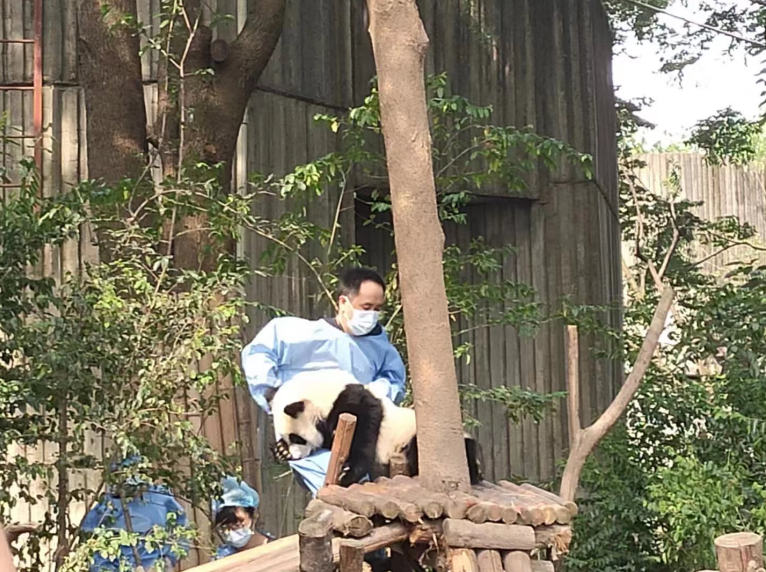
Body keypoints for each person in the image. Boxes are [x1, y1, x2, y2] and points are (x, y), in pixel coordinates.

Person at [241, 267, 406, 495]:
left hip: (357, 432)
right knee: (340, 488)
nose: (372, 315)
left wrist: (374, 392)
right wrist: (277, 399)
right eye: (367, 307)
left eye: (378, 309)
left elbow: (394, 381)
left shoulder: (379, 346)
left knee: (360, 482)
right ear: (343, 302)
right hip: (307, 430)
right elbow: (258, 355)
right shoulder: (296, 333)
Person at [81, 457, 190, 572]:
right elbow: (89, 540)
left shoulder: (161, 500)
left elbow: (182, 531)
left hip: (154, 566)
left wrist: (168, 560)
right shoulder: (107, 506)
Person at [212, 476, 274, 560]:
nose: (231, 530)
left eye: (238, 523)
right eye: (225, 526)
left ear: (254, 515)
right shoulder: (221, 558)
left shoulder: (276, 549)